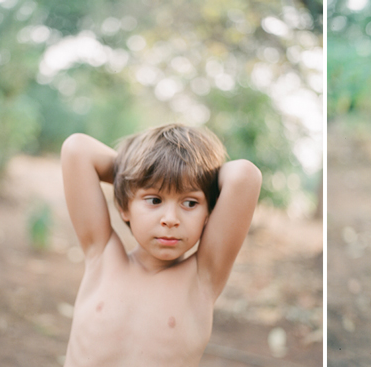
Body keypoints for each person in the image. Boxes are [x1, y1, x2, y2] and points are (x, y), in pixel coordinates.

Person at [60, 124, 262, 366]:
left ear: (208, 212)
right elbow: (77, 149)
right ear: (124, 206)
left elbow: (245, 176)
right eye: (154, 200)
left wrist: (193, 175)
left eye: (190, 203)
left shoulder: (202, 278)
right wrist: (137, 172)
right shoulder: (102, 256)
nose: (171, 219)